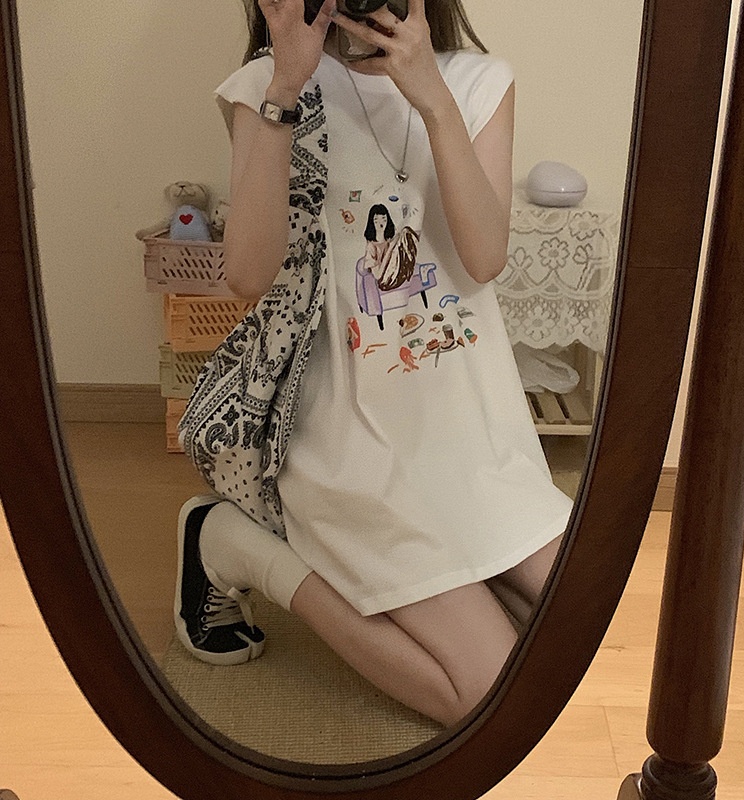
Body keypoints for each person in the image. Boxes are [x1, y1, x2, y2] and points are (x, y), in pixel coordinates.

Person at [174, 0, 575, 728]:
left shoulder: (478, 82)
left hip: (472, 433)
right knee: (491, 697)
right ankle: (238, 545)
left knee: (578, 625)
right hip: (351, 440)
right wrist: (284, 88)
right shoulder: (269, 85)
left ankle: (442, 575)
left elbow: (483, 257)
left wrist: (434, 101)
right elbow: (249, 275)